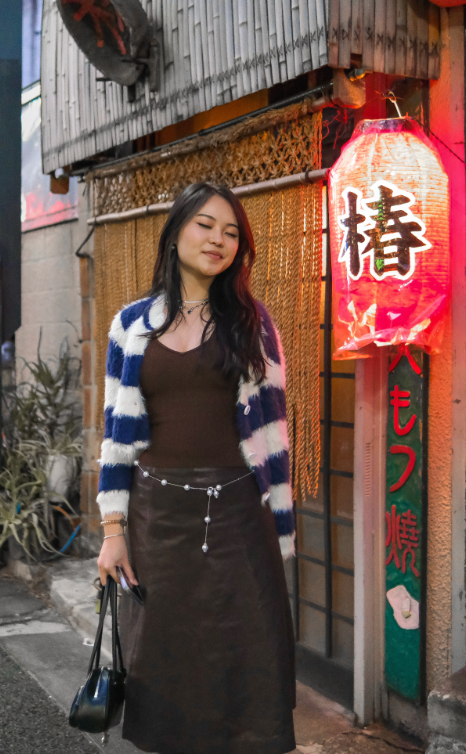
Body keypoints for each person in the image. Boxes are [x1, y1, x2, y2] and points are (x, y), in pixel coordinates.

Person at [95, 181, 298, 754]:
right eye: (206, 225)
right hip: (158, 519)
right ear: (177, 229)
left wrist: (281, 527)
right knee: (165, 659)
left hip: (238, 515)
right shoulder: (130, 326)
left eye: (232, 232)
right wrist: (114, 532)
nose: (219, 240)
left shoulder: (253, 324)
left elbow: (274, 436)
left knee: (248, 654)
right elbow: (116, 436)